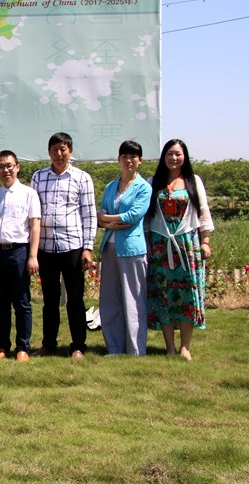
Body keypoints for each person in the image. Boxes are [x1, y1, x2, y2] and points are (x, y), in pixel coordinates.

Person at [146, 139, 214, 361]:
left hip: (187, 245)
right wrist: (147, 244)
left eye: (178, 154)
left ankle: (185, 347)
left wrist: (205, 241)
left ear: (184, 157)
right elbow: (147, 218)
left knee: (187, 296)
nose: (173, 158)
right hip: (161, 245)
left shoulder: (193, 181)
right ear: (163, 156)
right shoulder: (153, 182)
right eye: (169, 154)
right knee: (164, 295)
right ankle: (169, 347)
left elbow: (203, 212)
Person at [31, 132, 96, 359]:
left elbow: (89, 215)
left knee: (75, 299)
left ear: (70, 151)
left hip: (73, 247)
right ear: (49, 152)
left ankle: (78, 346)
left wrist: (87, 248)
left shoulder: (82, 178)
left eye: (63, 149)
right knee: (50, 301)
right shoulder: (39, 177)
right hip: (46, 248)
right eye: (55, 150)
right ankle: (48, 345)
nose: (59, 154)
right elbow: (34, 213)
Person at [96, 141, 152, 356]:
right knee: (110, 300)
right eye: (124, 156)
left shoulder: (143, 187)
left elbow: (133, 216)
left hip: (131, 250)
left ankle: (135, 350)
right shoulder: (111, 186)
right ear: (118, 159)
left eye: (133, 156)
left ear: (140, 160)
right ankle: (115, 347)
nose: (128, 160)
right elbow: (100, 213)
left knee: (133, 301)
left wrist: (106, 219)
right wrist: (107, 220)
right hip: (109, 248)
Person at [0, 150, 41, 362]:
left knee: (22, 302)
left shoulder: (29, 193)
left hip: (20, 252)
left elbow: (35, 225)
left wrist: (33, 256)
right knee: (1, 304)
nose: (5, 170)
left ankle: (23, 348)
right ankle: (2, 347)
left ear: (17, 167)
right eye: (1, 167)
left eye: (9, 165)